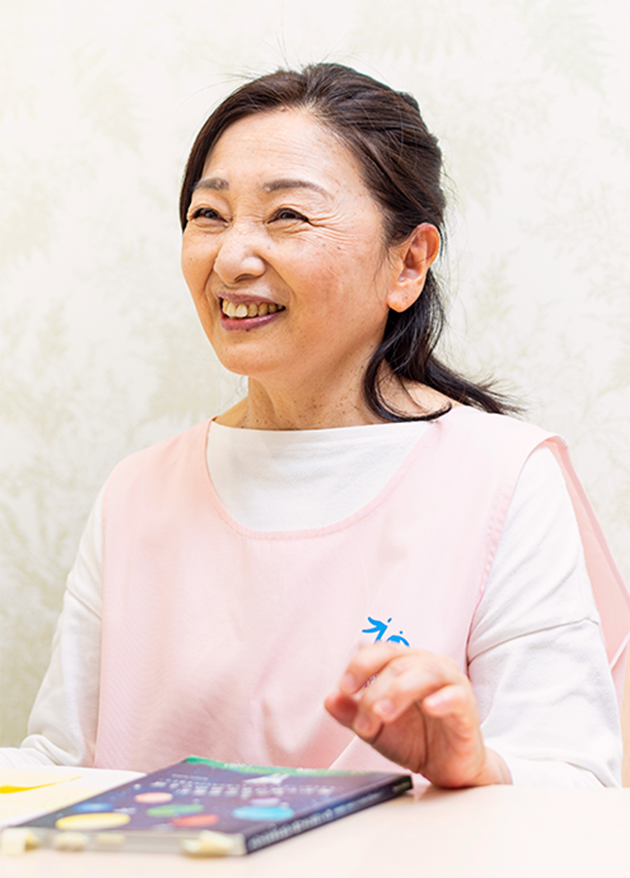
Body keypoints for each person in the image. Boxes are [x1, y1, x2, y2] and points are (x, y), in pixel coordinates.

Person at [1, 63, 628, 788]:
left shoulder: (502, 477)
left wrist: (475, 768)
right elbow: (60, 767)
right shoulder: (136, 490)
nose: (231, 258)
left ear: (409, 262)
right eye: (209, 215)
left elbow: (574, 784)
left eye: (287, 216)